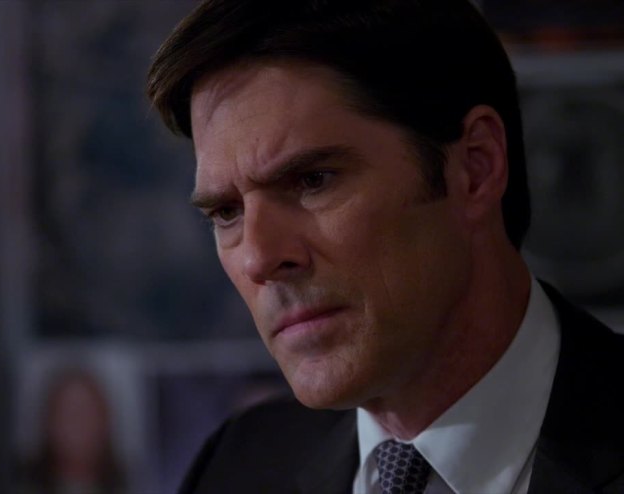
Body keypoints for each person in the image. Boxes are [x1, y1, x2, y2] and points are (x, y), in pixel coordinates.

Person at [145, 1, 624, 493]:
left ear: (476, 168)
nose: (259, 258)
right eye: (227, 212)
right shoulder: (238, 466)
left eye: (313, 180)